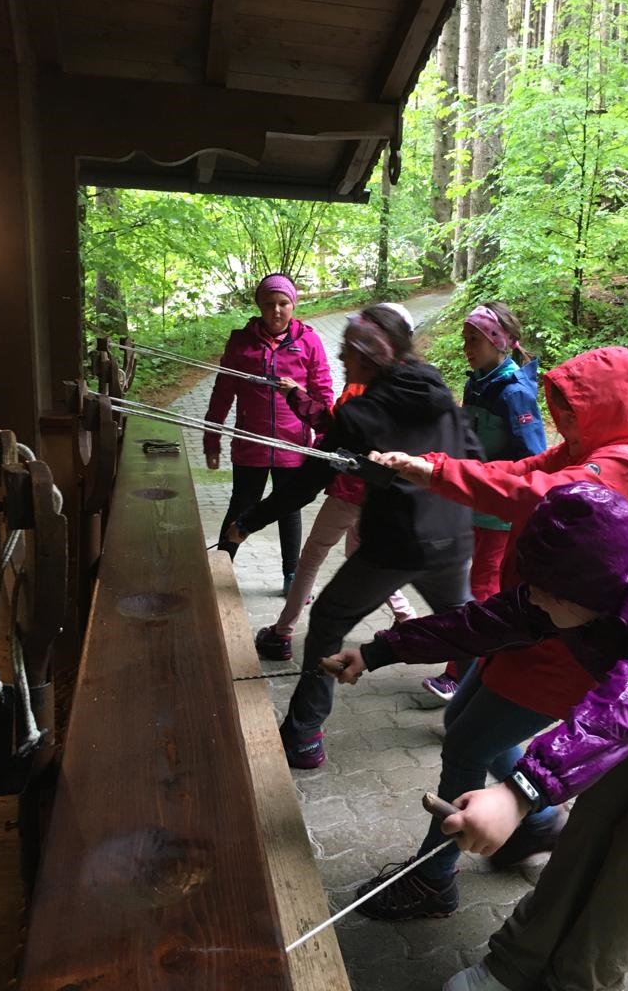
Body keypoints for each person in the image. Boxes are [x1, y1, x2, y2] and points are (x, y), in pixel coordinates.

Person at [328, 482, 628, 991]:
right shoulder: (578, 581)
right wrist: (379, 651)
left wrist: (520, 791)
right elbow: (487, 622)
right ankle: (513, 965)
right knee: (592, 821)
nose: (535, 597)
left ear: (589, 589)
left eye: (547, 592)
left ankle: (576, 983)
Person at [345, 345, 628, 918]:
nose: (562, 420)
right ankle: (537, 822)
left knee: (467, 744)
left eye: (573, 410)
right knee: (462, 725)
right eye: (560, 408)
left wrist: (435, 473)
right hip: (526, 623)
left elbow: (536, 494)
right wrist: (429, 466)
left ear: (609, 408)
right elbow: (518, 470)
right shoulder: (584, 449)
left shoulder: (623, 463)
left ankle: (433, 878)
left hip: (562, 644)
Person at [226, 305, 481, 768]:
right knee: (465, 628)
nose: (341, 358)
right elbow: (473, 454)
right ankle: (482, 720)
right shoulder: (437, 389)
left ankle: (304, 736)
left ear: (370, 355)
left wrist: (247, 522)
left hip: (396, 543)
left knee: (327, 619)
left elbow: (305, 484)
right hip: (452, 533)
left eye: (348, 351)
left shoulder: (362, 413)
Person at [255, 304, 417, 662]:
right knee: (362, 556)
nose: (346, 353)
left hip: (352, 491)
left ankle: (282, 633)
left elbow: (332, 426)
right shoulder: (408, 385)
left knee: (312, 556)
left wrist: (296, 395)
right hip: (378, 495)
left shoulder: (365, 387)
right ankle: (408, 622)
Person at [423, 302, 546, 703]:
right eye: (464, 339)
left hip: (499, 513)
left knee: (480, 588)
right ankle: (481, 667)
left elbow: (535, 459)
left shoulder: (514, 393)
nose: (466, 348)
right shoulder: (477, 383)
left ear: (498, 341)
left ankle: (462, 677)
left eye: (473, 339)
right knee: (465, 583)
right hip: (472, 502)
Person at [203, 272, 333, 595]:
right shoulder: (240, 343)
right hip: (251, 444)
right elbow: (222, 393)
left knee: (289, 508)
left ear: (293, 304)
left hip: (293, 444)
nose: (276, 310)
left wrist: (323, 437)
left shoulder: (309, 342)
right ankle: (218, 572)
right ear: (259, 306)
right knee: (241, 506)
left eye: (283, 303)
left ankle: (291, 576)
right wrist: (211, 438)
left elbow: (323, 393)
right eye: (269, 303)